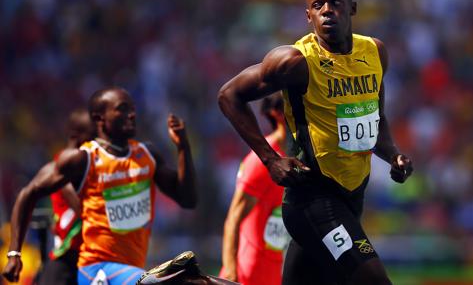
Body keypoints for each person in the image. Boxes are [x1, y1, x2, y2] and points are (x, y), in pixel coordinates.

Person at [218, 0, 413, 285]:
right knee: (373, 280)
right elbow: (229, 96)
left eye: (335, 2)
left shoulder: (374, 53)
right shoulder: (296, 62)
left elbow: (377, 117)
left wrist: (393, 155)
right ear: (308, 16)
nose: (326, 11)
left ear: (352, 8)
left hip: (352, 198)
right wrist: (270, 160)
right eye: (317, 5)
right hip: (312, 199)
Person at [2, 87, 199, 285]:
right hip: (96, 269)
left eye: (132, 109)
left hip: (132, 269)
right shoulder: (83, 159)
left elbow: (188, 200)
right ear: (99, 119)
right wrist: (14, 253)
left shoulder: (147, 155)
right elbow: (28, 193)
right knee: (161, 281)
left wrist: (183, 147)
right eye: (122, 109)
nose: (131, 114)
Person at [219, 92, 290, 285]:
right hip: (246, 275)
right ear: (277, 113)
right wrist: (231, 275)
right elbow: (233, 218)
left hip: (274, 276)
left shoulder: (298, 157)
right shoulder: (262, 161)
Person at [38, 109, 95, 285]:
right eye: (92, 136)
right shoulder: (62, 164)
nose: (97, 142)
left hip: (88, 251)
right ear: (75, 135)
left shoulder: (88, 164)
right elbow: (81, 208)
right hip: (67, 249)